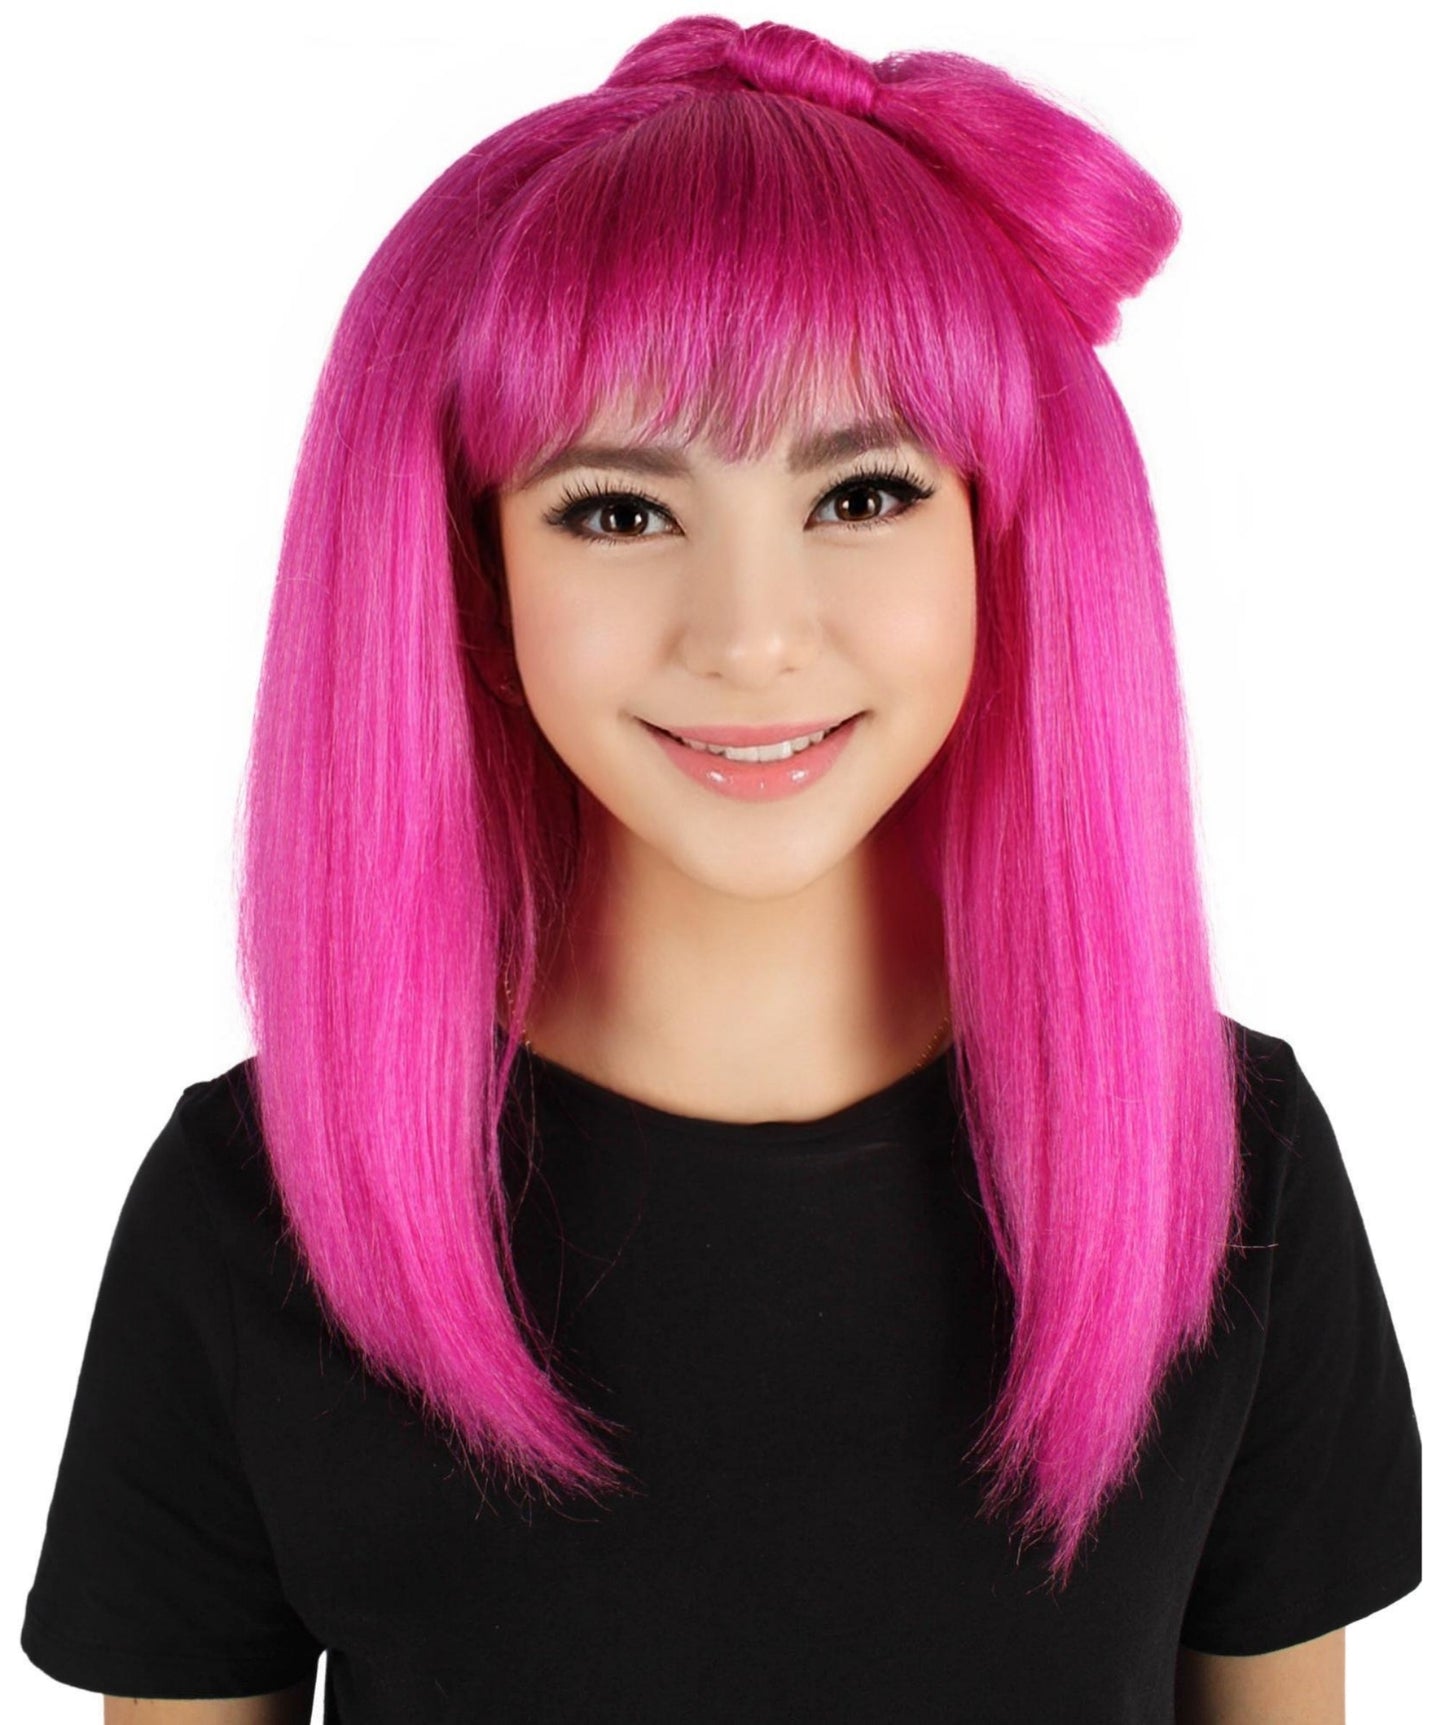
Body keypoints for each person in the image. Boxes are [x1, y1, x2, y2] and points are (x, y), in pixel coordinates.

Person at [19, 15, 1421, 1723]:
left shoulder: (1227, 1171)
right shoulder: (255, 1210)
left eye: (864, 493)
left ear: (1002, 533)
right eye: (618, 511)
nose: (750, 637)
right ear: (474, 572)